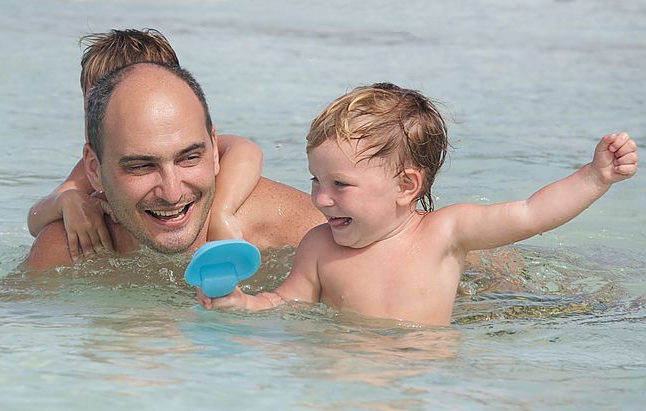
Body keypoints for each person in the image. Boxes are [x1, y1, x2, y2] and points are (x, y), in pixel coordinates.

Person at [197, 83, 639, 326]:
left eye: (340, 184)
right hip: (339, 385)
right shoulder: (318, 246)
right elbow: (285, 301)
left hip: (425, 379)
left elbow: (532, 213)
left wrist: (595, 176)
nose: (320, 198)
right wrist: (246, 305)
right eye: (315, 180)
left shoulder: (445, 234)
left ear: (406, 185)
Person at [24, 62, 325, 270]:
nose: (172, 193)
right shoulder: (71, 248)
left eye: (189, 158)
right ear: (94, 169)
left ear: (215, 148)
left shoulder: (299, 232)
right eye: (141, 166)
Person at [27, 29, 262, 260]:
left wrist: (222, 213)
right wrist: (67, 202)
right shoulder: (89, 168)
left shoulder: (196, 145)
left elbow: (247, 152)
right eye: (94, 106)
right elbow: (35, 219)